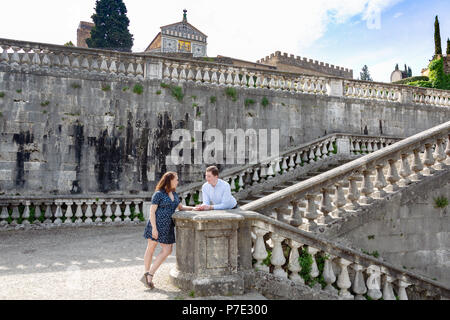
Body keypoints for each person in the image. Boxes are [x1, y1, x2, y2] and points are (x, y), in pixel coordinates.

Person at [141, 171, 195, 289]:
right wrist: (154, 228)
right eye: (176, 179)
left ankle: (150, 273)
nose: (178, 181)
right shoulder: (158, 194)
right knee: (151, 248)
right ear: (169, 180)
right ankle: (147, 273)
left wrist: (195, 208)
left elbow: (181, 207)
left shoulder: (175, 194)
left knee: (167, 250)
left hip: (168, 226)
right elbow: (152, 212)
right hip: (156, 225)